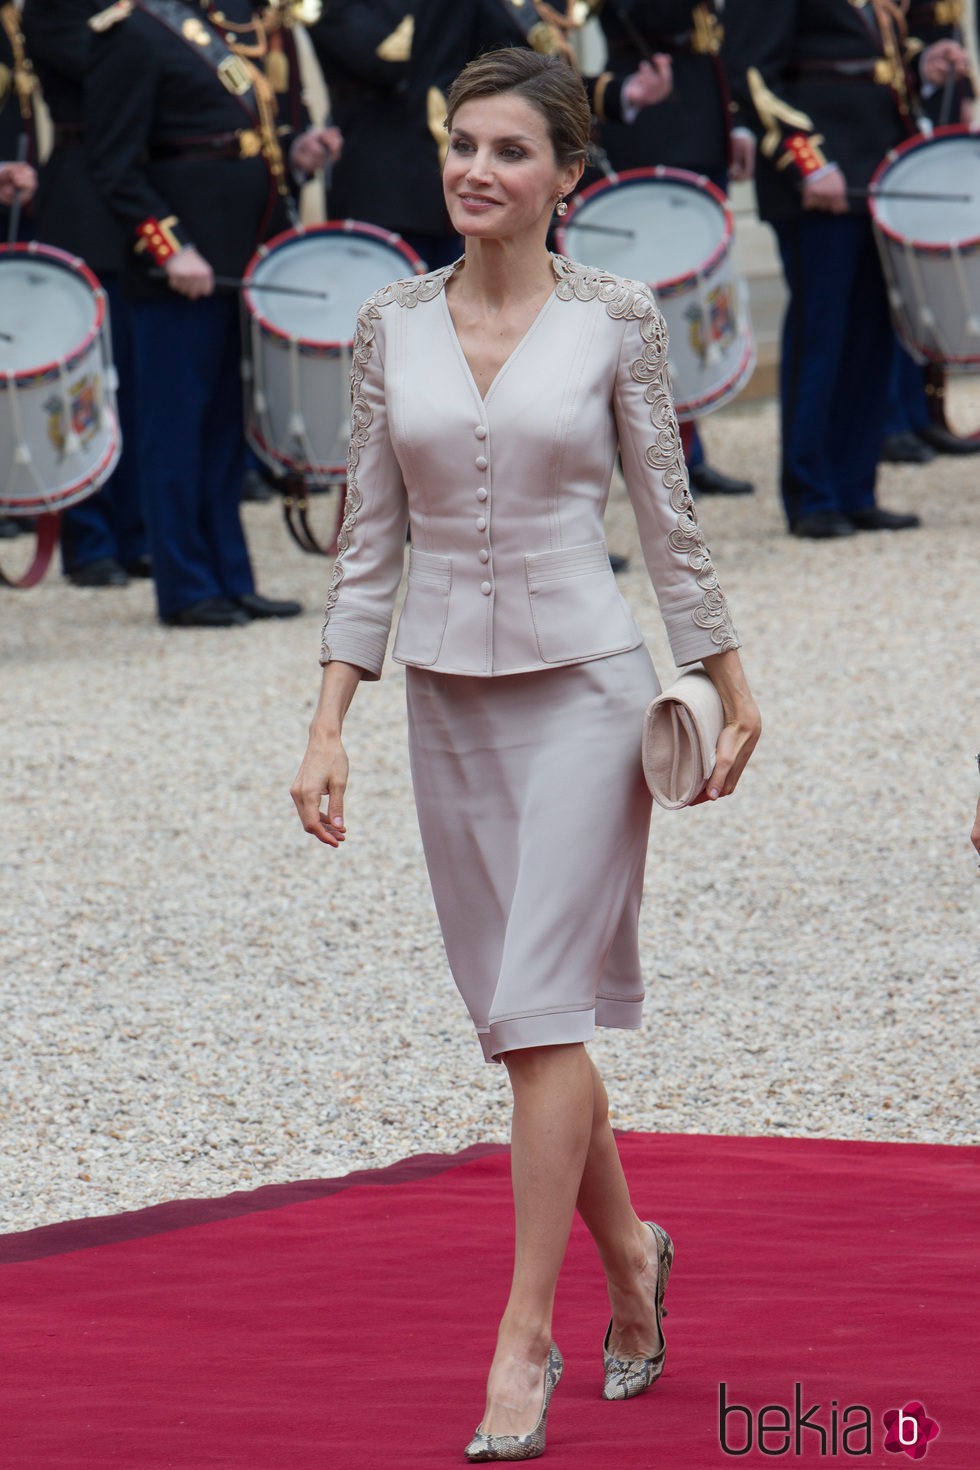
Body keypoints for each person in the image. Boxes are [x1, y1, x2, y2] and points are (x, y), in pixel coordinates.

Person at [292, 47, 760, 1461]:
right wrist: (328, 725)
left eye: (508, 151)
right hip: (448, 705)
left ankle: (521, 1336)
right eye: (462, 145)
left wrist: (731, 682)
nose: (475, 170)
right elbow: (369, 543)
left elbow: (670, 525)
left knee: (543, 1006)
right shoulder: (387, 325)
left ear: (566, 177)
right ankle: (636, 1259)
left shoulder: (618, 320)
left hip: (589, 702)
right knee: (521, 1019)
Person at [85, 0, 341, 626]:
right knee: (176, 433)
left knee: (225, 432)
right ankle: (186, 587)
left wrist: (293, 152)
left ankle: (231, 575)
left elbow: (226, 137)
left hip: (235, 260)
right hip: (183, 272)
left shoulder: (214, 28)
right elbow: (115, 164)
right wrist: (172, 248)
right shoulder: (135, 33)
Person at [725, 0, 970, 539]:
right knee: (823, 335)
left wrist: (923, 66)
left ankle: (857, 488)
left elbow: (870, 60)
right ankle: (812, 495)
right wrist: (810, 164)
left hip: (875, 172)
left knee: (872, 337)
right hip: (820, 182)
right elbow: (751, 73)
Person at [595, 0, 756, 498]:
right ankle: (649, 451)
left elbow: (729, 34)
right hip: (650, 108)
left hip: (702, 103)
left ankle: (688, 445)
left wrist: (739, 120)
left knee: (695, 297)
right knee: (650, 299)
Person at [23, 0, 150, 588]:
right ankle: (90, 538)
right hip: (83, 201)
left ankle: (135, 531)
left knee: (142, 384)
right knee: (85, 387)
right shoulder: (57, 9)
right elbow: (108, 68)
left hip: (146, 195)